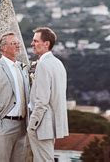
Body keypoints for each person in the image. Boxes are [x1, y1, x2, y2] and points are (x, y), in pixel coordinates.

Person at [0, 32, 30, 162]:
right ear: (3, 48)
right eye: (13, 43)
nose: (17, 45)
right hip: (4, 124)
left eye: (17, 43)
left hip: (22, 126)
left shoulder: (22, 68)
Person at [28, 27, 69, 161]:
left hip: (42, 125)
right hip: (53, 123)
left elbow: (42, 100)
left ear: (46, 44)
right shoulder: (58, 63)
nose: (32, 44)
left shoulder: (43, 65)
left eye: (35, 41)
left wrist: (32, 125)